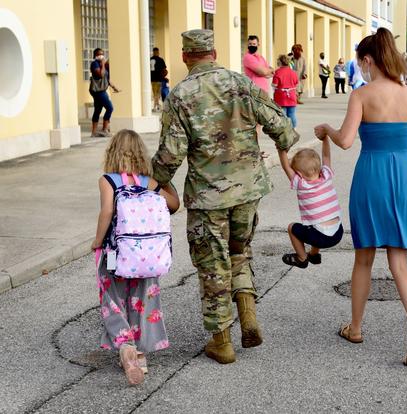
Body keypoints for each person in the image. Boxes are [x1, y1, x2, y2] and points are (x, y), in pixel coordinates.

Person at [151, 30, 299, 365]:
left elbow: (171, 153)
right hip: (248, 190)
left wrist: (155, 181)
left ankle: (222, 342)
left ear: (186, 56)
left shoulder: (180, 95)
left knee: (212, 266)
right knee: (239, 252)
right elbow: (281, 125)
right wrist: (285, 143)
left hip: (207, 197)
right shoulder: (241, 83)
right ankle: (247, 315)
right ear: (214, 52)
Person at [314, 27, 407, 366]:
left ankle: (355, 328)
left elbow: (346, 140)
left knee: (364, 258)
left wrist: (326, 130)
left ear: (368, 60)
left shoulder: (362, 95)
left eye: (361, 64)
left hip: (371, 179)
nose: (361, 69)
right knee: (400, 263)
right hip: (404, 178)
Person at [91, 129, 180, 386]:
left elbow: (107, 212)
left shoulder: (108, 180)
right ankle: (139, 354)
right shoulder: (148, 182)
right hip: (147, 256)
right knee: (142, 301)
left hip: (115, 255)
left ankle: (125, 345)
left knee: (113, 298)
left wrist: (97, 241)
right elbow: (174, 205)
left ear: (112, 152)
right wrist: (163, 178)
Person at [277, 139, 343, 268]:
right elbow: (326, 156)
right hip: (338, 233)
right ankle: (314, 255)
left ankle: (302, 258)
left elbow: (285, 166)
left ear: (299, 174)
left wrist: (281, 149)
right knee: (316, 225)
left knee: (292, 227)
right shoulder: (326, 176)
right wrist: (325, 140)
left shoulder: (301, 184)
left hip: (320, 237)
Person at [89, 48, 120, 137]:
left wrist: (114, 87)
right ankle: (104, 130)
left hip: (101, 90)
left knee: (98, 110)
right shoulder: (94, 64)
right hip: (98, 91)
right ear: (95, 56)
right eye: (99, 54)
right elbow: (101, 74)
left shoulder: (104, 66)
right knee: (110, 108)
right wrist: (103, 64)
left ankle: (94, 132)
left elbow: (107, 79)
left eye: (102, 54)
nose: (101, 56)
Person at [272, 54, 299, 128]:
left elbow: (274, 84)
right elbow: (296, 83)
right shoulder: (293, 72)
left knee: (282, 114)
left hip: (281, 96)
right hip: (292, 95)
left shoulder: (277, 72)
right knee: (292, 114)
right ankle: (294, 129)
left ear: (280, 62)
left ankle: (285, 129)